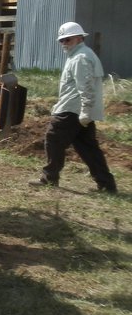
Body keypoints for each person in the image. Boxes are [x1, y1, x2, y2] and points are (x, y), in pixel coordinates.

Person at [29, 22, 117, 193]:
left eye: (67, 40)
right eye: (62, 41)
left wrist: (85, 111)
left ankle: (49, 177)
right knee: (87, 147)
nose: (64, 44)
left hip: (72, 110)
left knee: (53, 139)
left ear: (78, 38)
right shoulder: (82, 54)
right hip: (78, 110)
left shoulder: (80, 58)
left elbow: (86, 87)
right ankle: (106, 184)